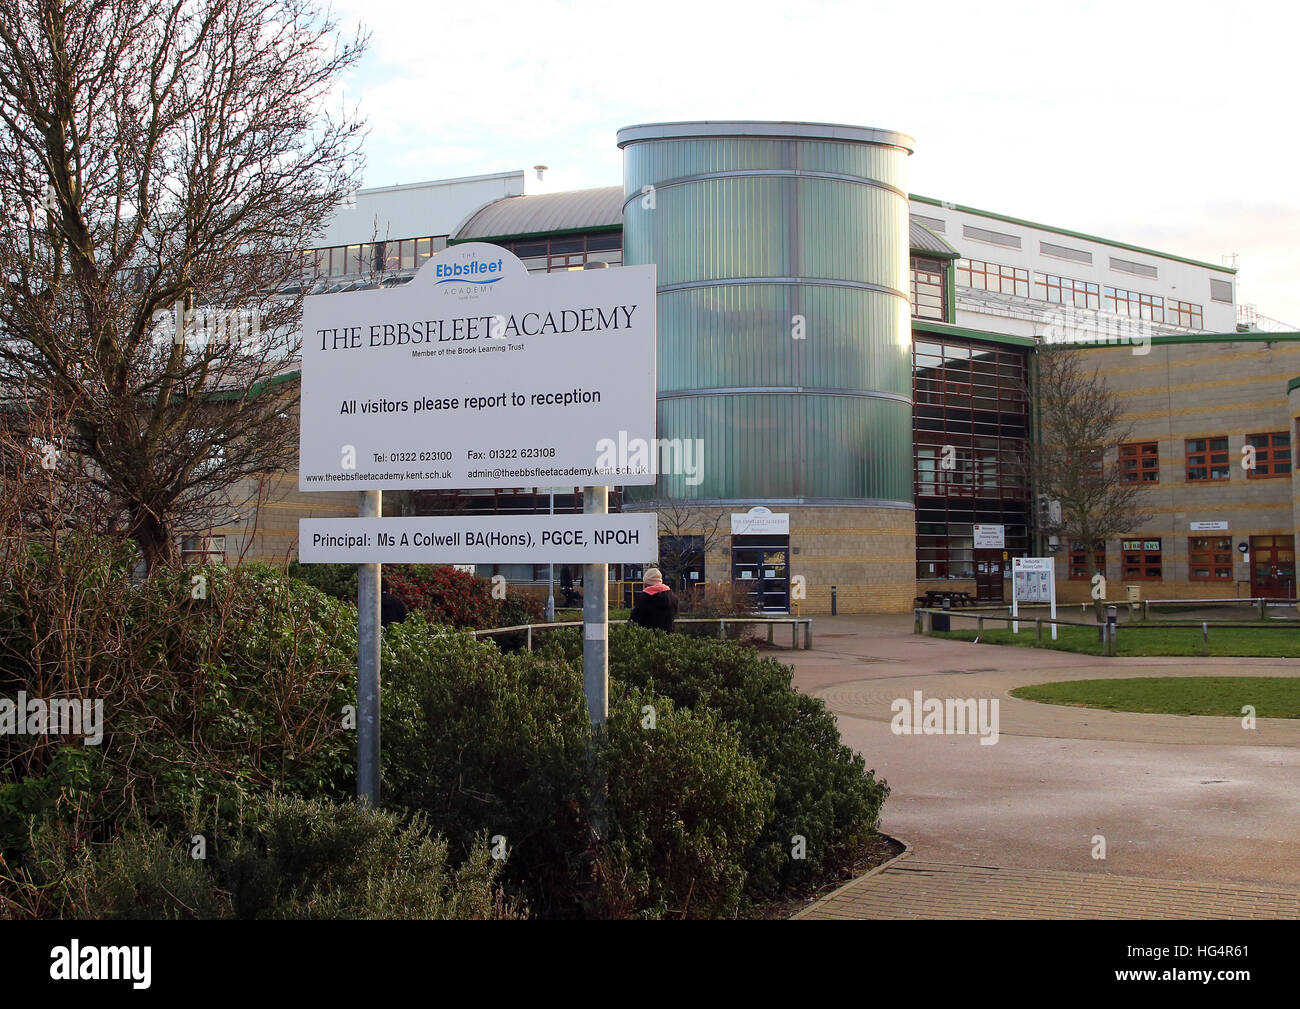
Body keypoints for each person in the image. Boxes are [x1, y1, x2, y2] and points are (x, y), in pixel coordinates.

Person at [629, 567, 678, 633]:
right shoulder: (673, 597)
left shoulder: (644, 599)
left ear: (646, 583)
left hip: (648, 638)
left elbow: (634, 620)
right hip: (668, 639)